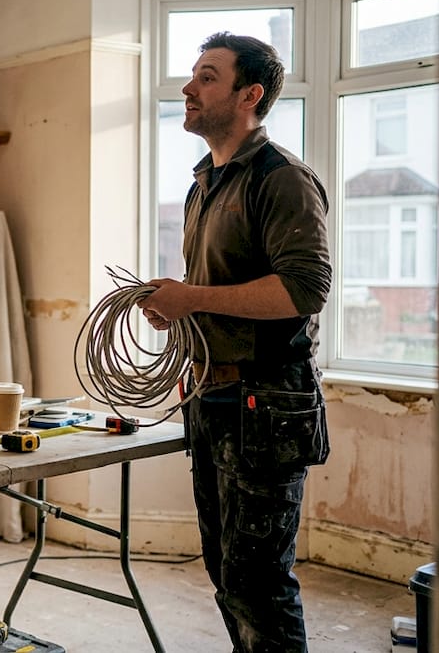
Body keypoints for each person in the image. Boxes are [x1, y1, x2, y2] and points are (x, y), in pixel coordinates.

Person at [138, 32, 332, 652]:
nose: (189, 89)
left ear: (250, 95)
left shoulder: (282, 180)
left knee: (258, 581)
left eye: (208, 77)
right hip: (215, 400)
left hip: (267, 404)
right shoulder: (205, 185)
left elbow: (305, 289)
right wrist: (182, 313)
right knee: (228, 574)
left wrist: (191, 297)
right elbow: (222, 290)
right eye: (192, 75)